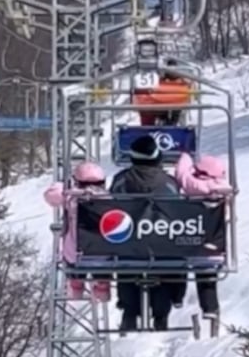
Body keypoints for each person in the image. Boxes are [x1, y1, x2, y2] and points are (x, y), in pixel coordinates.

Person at [109, 134, 179, 332]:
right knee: (164, 267)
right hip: (161, 237)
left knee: (126, 263)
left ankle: (129, 311)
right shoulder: (168, 182)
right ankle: (161, 315)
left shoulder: (121, 180)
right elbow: (177, 208)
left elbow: (113, 204)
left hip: (128, 238)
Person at [173, 151, 232, 326]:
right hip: (214, 244)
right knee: (207, 277)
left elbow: (182, 176)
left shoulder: (196, 187)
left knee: (179, 266)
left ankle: (177, 297)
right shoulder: (224, 191)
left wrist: (185, 157)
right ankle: (210, 308)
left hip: (188, 239)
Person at [43, 162, 111, 303]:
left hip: (76, 255)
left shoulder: (71, 198)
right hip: (105, 255)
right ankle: (102, 285)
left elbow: (50, 196)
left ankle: (76, 283)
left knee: (71, 251)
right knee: (102, 257)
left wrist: (65, 187)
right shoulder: (110, 199)